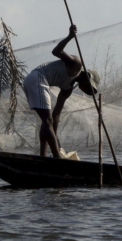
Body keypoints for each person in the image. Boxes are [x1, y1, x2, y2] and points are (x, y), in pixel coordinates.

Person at [22, 25, 100, 158]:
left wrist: (55, 136)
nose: (87, 91)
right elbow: (56, 51)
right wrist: (70, 36)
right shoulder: (76, 64)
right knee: (47, 120)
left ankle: (43, 156)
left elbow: (56, 115)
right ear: (87, 78)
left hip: (36, 82)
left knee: (47, 121)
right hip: (38, 78)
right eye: (89, 88)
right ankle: (56, 156)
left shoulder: (67, 89)